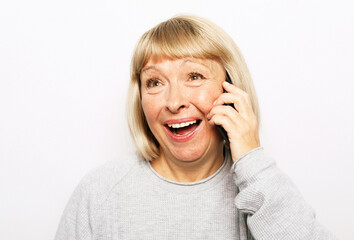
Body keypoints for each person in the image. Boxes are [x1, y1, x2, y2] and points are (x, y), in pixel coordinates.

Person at [55, 15, 336, 240]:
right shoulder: (98, 194)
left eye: (194, 76)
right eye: (155, 82)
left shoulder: (263, 188)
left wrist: (253, 162)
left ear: (231, 88)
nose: (174, 102)